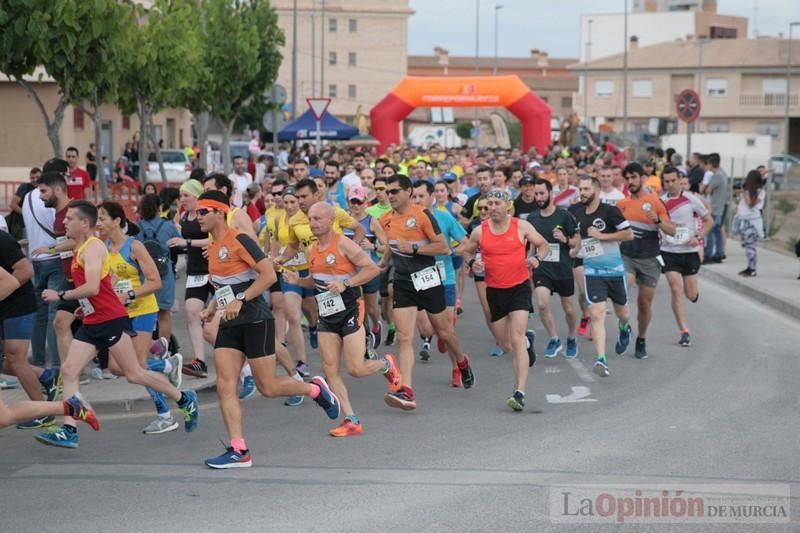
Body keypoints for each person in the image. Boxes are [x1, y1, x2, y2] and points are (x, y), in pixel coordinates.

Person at [36, 201, 199, 449]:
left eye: (69, 219)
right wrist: (85, 306)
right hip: (93, 319)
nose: (64, 222)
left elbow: (91, 286)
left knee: (134, 373)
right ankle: (69, 429)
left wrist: (60, 296)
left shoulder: (92, 249)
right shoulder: (85, 247)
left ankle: (184, 397)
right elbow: (99, 288)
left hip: (111, 320)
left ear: (83, 223)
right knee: (69, 370)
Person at [196, 191, 340, 468]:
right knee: (226, 386)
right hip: (229, 323)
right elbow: (226, 286)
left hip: (255, 320)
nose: (196, 217)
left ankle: (314, 388)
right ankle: (239, 450)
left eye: (203, 211)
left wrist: (241, 299)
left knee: (269, 387)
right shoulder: (212, 248)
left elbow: (268, 275)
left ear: (218, 211)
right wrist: (213, 307)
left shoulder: (240, 239)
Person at [283, 202, 400, 437]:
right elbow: (316, 281)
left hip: (350, 309)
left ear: (330, 220)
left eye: (317, 219)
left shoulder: (344, 244)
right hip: (327, 314)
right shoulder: (312, 250)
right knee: (330, 369)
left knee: (356, 369)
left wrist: (345, 283)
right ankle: (351, 419)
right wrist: (298, 280)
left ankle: (385, 365)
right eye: (310, 219)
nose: (312, 223)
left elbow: (371, 269)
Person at [378, 175, 474, 411]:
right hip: (403, 281)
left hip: (428, 279)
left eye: (394, 191)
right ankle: (407, 391)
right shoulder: (385, 219)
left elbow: (442, 247)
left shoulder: (422, 215)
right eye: (387, 192)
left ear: (408, 191)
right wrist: (380, 265)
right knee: (404, 337)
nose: (390, 196)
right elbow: (391, 248)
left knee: (444, 332)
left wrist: (413, 248)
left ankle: (461, 361)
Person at [97, 201, 183, 434]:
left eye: (102, 218)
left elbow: (155, 282)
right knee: (116, 367)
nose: (98, 223)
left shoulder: (134, 247)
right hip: (120, 314)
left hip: (143, 310)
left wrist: (130, 294)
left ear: (117, 221)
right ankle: (167, 364)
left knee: (138, 367)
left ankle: (165, 415)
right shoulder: (102, 248)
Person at [460, 188, 547, 411]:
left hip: (518, 288)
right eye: (488, 204)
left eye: (497, 203)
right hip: (494, 291)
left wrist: (537, 258)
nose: (491, 208)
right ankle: (528, 342)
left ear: (508, 206)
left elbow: (543, 244)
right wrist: (472, 263)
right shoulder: (480, 231)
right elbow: (467, 251)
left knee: (516, 338)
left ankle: (519, 393)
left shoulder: (521, 226)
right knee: (506, 344)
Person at [571, 177, 634, 378]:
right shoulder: (577, 213)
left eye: (586, 189)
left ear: (596, 191)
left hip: (615, 271)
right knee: (597, 314)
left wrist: (603, 236)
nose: (582, 192)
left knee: (622, 313)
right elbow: (581, 237)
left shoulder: (610, 211)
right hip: (592, 272)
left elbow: (628, 234)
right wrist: (574, 249)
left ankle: (625, 328)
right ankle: (601, 359)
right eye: (580, 188)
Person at [617, 163, 676, 360]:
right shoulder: (622, 204)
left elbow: (672, 231)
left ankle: (641, 339)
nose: (630, 181)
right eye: (628, 178)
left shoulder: (655, 202)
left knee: (644, 303)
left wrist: (657, 221)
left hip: (650, 259)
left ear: (642, 178)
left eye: (634, 177)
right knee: (622, 289)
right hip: (627, 256)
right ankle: (624, 325)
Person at [411, 181, 468, 386]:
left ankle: (456, 369)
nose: (417, 200)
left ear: (431, 196)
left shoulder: (444, 217)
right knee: (426, 329)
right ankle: (439, 334)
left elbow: (465, 242)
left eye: (421, 196)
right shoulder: (409, 221)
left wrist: (454, 252)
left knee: (447, 328)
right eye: (414, 197)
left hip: (445, 278)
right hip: (421, 278)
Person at [527, 179, 579, 358]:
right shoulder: (532, 218)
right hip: (542, 267)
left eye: (542, 193)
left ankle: (571, 337)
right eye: (536, 194)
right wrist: (528, 261)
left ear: (551, 194)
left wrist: (565, 239)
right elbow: (532, 245)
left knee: (569, 309)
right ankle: (554, 338)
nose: (539, 197)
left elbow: (576, 241)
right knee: (541, 303)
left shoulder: (564, 216)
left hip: (563, 268)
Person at [660, 167, 712, 347]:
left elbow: (709, 221)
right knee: (676, 288)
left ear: (679, 179)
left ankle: (694, 294)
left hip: (689, 252)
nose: (670, 184)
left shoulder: (691, 199)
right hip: (668, 252)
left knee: (691, 294)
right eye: (666, 181)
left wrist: (697, 237)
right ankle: (684, 331)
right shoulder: (661, 201)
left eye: (673, 180)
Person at [168, 180, 212, 378]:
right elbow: (179, 228)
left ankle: (244, 359)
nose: (182, 199)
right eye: (181, 196)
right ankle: (200, 362)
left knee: (225, 318)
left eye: (186, 195)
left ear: (197, 195)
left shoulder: (206, 212)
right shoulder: (184, 214)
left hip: (215, 270)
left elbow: (216, 238)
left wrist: (187, 242)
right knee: (192, 313)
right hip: (195, 271)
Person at [23, 164, 64, 370]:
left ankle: (38, 363)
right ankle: (55, 366)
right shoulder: (49, 201)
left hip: (35, 260)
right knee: (53, 315)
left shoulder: (28, 198)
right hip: (54, 259)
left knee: (39, 313)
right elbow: (59, 230)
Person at [136, 193, 180, 351]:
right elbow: (179, 243)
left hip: (143, 275)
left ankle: (141, 348)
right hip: (164, 274)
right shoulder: (168, 226)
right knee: (164, 315)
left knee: (143, 313)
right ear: (158, 208)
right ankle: (163, 351)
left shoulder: (137, 227)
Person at [343, 186, 384, 351]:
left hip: (369, 270)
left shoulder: (372, 221)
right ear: (348, 202)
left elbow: (386, 246)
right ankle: (365, 336)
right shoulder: (344, 220)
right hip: (351, 272)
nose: (356, 205)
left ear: (365, 203)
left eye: (359, 202)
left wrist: (373, 246)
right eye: (353, 201)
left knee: (372, 308)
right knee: (358, 305)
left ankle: (376, 325)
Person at [366, 177, 397, 346]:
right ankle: (391, 326)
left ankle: (400, 327)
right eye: (376, 189)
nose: (379, 192)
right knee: (385, 300)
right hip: (378, 260)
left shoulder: (395, 209)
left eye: (382, 189)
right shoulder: (370, 212)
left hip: (396, 258)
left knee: (393, 292)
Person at [736, 170, 765, 277]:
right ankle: (749, 267)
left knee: (751, 246)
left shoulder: (760, 192)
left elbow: (750, 204)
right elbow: (740, 204)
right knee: (747, 246)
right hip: (745, 220)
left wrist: (745, 193)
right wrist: (739, 195)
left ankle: (752, 269)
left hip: (752, 222)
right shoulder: (748, 191)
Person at [701, 153, 728, 263]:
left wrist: (705, 184)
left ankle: (708, 255)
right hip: (721, 206)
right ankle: (719, 253)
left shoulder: (717, 175)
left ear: (711, 164)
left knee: (710, 231)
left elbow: (707, 190)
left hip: (715, 207)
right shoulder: (723, 173)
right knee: (717, 232)